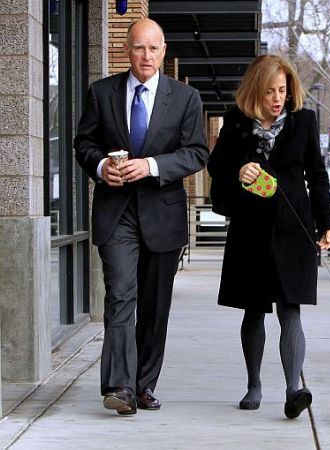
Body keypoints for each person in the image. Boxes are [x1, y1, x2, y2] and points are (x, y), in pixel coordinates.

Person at [74, 18, 209, 415]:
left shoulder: (185, 98)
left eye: (153, 48)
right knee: (120, 298)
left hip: (162, 214)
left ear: (163, 51)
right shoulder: (101, 93)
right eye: (138, 47)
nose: (146, 56)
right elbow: (84, 142)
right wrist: (101, 167)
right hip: (117, 214)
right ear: (126, 50)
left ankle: (144, 384)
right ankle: (119, 387)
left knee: (154, 306)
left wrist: (150, 165)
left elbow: (197, 153)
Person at [207, 54, 330, 419]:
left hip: (294, 228)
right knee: (253, 310)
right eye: (269, 92)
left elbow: (317, 174)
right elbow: (215, 166)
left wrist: (327, 221)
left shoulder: (303, 122)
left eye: (282, 90)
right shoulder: (235, 124)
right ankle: (254, 385)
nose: (277, 98)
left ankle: (294, 389)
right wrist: (239, 168)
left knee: (290, 309)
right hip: (250, 230)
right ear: (255, 92)